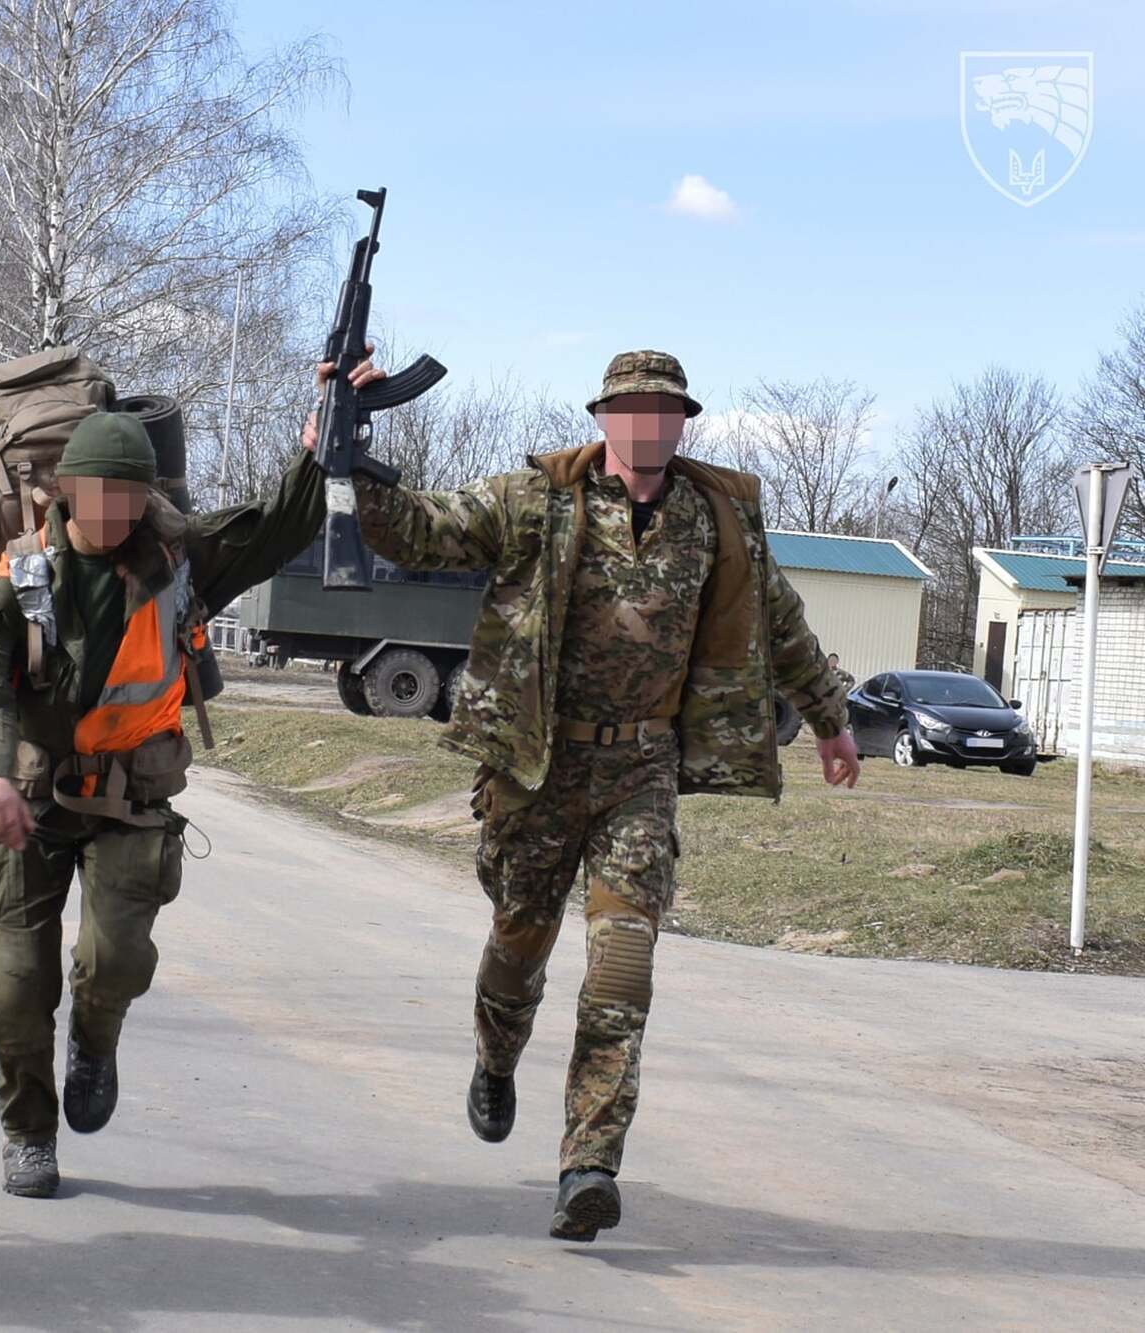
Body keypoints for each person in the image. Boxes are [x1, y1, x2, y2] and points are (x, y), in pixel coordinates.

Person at [313, 348, 859, 1241]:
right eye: (630, 409)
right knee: (517, 948)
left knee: (621, 968)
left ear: (685, 422)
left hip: (640, 773)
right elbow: (415, 528)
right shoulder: (536, 501)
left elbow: (782, 621)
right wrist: (347, 445)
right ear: (602, 418)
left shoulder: (719, 520)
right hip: (536, 767)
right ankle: (496, 1054)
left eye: (664, 410)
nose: (647, 424)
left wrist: (830, 719)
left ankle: (588, 1164)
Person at [0, 380, 367, 1199]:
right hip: (31, 805)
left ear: (147, 498)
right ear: (62, 489)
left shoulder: (182, 557)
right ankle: (28, 1133)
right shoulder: (20, 575)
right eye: (95, 492)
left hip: (130, 806)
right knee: (14, 990)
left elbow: (280, 525)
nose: (110, 509)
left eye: (128, 495)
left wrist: (325, 443)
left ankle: (95, 1043)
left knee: (111, 963)